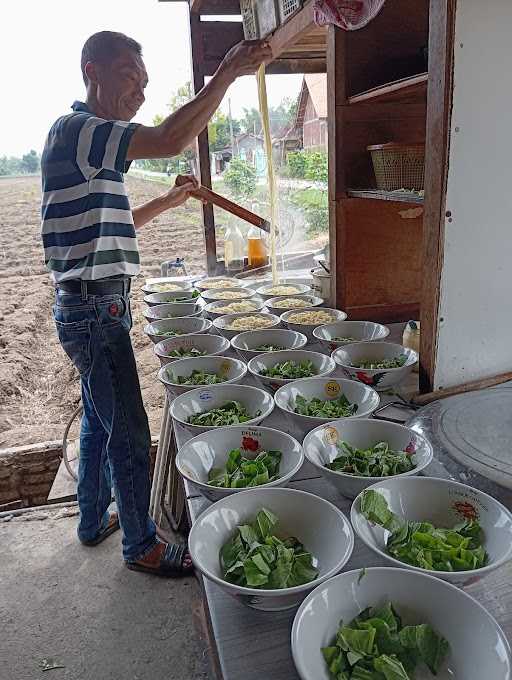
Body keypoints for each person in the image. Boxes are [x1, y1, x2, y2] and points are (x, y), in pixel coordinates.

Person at [40, 31, 271, 576]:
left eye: (144, 83)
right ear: (91, 70)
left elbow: (115, 227)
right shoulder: (82, 130)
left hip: (88, 304)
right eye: (128, 77)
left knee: (100, 417)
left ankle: (93, 518)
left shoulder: (87, 143)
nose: (138, 93)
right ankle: (141, 544)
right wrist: (228, 71)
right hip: (95, 309)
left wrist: (169, 201)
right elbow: (170, 138)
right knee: (127, 430)